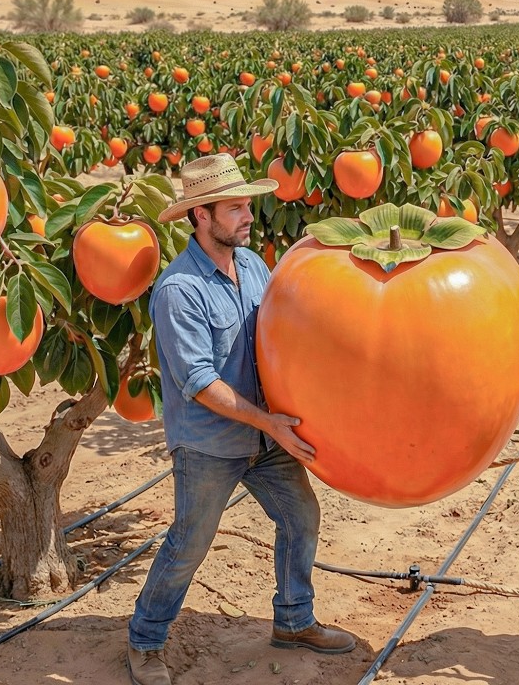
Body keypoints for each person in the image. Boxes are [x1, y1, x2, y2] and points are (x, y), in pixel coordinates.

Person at [126, 154, 355, 685]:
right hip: (210, 443)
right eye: (234, 209)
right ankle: (145, 640)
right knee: (189, 544)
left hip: (265, 435)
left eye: (247, 205)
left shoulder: (252, 265)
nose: (248, 216)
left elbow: (284, 329)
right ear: (200, 216)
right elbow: (201, 382)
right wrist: (270, 423)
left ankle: (294, 621)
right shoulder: (179, 290)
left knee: (300, 518)